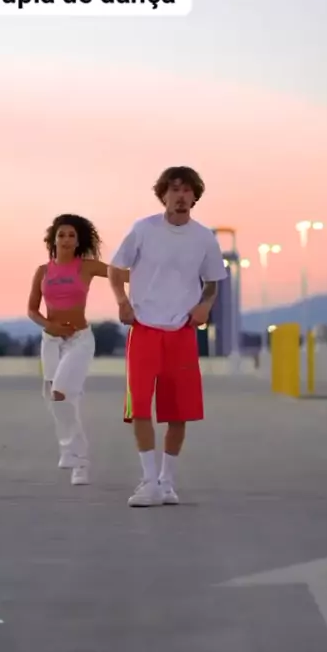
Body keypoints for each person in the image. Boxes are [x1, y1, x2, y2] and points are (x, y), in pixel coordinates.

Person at [107, 166, 227, 507]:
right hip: (144, 328)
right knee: (140, 407)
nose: (181, 196)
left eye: (187, 190)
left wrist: (205, 306)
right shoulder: (144, 229)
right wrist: (122, 302)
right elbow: (115, 268)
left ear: (195, 197)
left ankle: (167, 482)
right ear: (163, 195)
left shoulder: (204, 238)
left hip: (181, 332)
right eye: (174, 190)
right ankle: (148, 482)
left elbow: (213, 282)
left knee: (178, 412)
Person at [27, 213, 129, 485]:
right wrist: (50, 325)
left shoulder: (86, 267)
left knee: (60, 392)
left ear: (78, 240)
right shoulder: (43, 271)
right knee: (56, 398)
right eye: (61, 235)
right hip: (51, 341)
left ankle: (79, 460)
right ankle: (70, 452)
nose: (66, 239)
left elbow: (122, 275)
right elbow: (32, 310)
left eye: (71, 235)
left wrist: (158, 269)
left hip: (79, 340)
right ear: (53, 239)